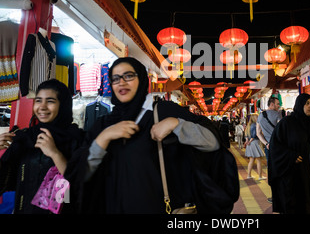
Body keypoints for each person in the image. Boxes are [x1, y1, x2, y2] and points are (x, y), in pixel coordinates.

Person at [64, 57, 237, 214]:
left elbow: (212, 143)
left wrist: (176, 124)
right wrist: (104, 138)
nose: (121, 82)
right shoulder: (103, 125)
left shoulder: (162, 111)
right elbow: (81, 176)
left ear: (141, 79)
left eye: (128, 76)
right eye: (115, 78)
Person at [0, 79, 84, 214]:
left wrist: (55, 154)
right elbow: (4, 184)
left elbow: (80, 187)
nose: (42, 107)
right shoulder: (25, 139)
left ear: (63, 105)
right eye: (38, 100)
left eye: (50, 101)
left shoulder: (76, 140)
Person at [268, 93, 310, 214]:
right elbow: (275, 147)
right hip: (291, 174)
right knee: (293, 205)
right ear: (300, 105)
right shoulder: (287, 123)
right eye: (307, 103)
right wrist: (291, 156)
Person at [256, 96, 282, 160]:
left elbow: (258, 133)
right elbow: (281, 130)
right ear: (272, 104)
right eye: (278, 104)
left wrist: (266, 143)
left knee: (270, 167)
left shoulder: (260, 116)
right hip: (279, 145)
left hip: (268, 147)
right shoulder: (277, 114)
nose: (279, 106)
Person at [244, 114, 266, 180]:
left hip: (250, 144)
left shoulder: (248, 125)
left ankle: (249, 175)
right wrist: (250, 141)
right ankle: (260, 176)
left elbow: (247, 135)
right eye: (257, 117)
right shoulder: (255, 125)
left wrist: (247, 141)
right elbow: (254, 135)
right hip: (255, 143)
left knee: (251, 160)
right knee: (259, 160)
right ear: (255, 118)